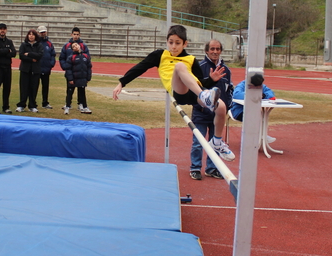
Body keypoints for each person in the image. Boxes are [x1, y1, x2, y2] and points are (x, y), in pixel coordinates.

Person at [112, 25, 231, 160]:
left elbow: (199, 83)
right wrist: (122, 83)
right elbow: (140, 68)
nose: (173, 46)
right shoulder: (160, 55)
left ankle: (217, 142)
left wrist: (211, 80)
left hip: (194, 92)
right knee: (179, 66)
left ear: (185, 44)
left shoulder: (191, 59)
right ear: (167, 41)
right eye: (171, 42)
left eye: (178, 43)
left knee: (221, 107)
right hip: (178, 91)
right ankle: (204, 96)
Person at [189, 40, 234, 180]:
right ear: (206, 51)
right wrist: (200, 106)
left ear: (221, 50)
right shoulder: (199, 67)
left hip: (218, 116)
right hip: (201, 114)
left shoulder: (226, 70)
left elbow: (229, 90)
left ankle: (212, 168)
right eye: (212, 49)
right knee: (198, 143)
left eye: (218, 49)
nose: (215, 51)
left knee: (216, 143)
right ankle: (195, 168)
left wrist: (227, 107)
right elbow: (193, 90)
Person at [230, 75, 277, 144]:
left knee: (260, 116)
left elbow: (271, 93)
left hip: (254, 111)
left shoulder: (261, 86)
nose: (257, 88)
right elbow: (236, 94)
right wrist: (253, 94)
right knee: (255, 117)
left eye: (259, 86)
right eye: (255, 86)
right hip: (238, 111)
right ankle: (260, 136)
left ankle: (261, 135)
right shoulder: (242, 85)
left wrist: (263, 95)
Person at [59, 27, 91, 113]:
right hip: (71, 73)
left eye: (77, 34)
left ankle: (81, 104)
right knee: (70, 89)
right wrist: (65, 67)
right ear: (71, 34)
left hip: (81, 74)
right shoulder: (66, 46)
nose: (76, 36)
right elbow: (62, 58)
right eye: (74, 34)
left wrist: (88, 76)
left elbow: (88, 60)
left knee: (81, 90)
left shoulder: (84, 46)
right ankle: (68, 105)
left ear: (79, 35)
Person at [0, 23, 17, 114]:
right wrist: (6, 50)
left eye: (4, 29)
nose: (2, 30)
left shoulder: (9, 41)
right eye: (1, 29)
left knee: (7, 88)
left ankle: (6, 106)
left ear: (6, 30)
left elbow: (13, 53)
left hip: (7, 67)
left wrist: (2, 51)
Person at [16, 29, 43, 112]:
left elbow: (39, 55)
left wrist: (29, 54)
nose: (31, 36)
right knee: (24, 88)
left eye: (33, 34)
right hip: (25, 70)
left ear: (35, 36)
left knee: (33, 88)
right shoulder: (24, 45)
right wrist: (32, 59)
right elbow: (21, 56)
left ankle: (32, 105)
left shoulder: (39, 45)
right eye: (29, 34)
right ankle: (21, 105)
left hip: (35, 70)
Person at [37, 25, 56, 109]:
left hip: (46, 68)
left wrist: (51, 64)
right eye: (41, 32)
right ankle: (33, 103)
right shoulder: (36, 42)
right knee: (34, 86)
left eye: (44, 32)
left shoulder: (49, 43)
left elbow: (53, 54)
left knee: (45, 87)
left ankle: (45, 103)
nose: (43, 33)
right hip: (37, 68)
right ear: (38, 33)